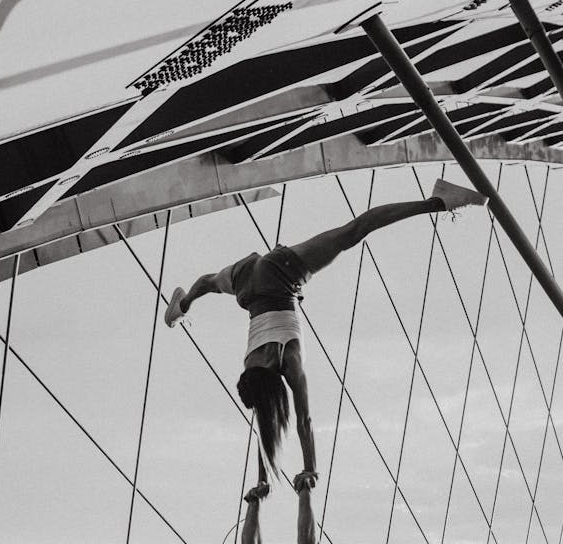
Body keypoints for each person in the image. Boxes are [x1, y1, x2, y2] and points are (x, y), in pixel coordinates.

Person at [165, 178, 486, 482]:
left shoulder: (287, 359)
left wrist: (310, 469)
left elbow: (299, 420)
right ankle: (183, 304)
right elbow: (264, 416)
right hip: (247, 283)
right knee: (209, 283)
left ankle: (439, 201)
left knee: (354, 232)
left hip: (279, 277)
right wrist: (263, 476)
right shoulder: (251, 366)